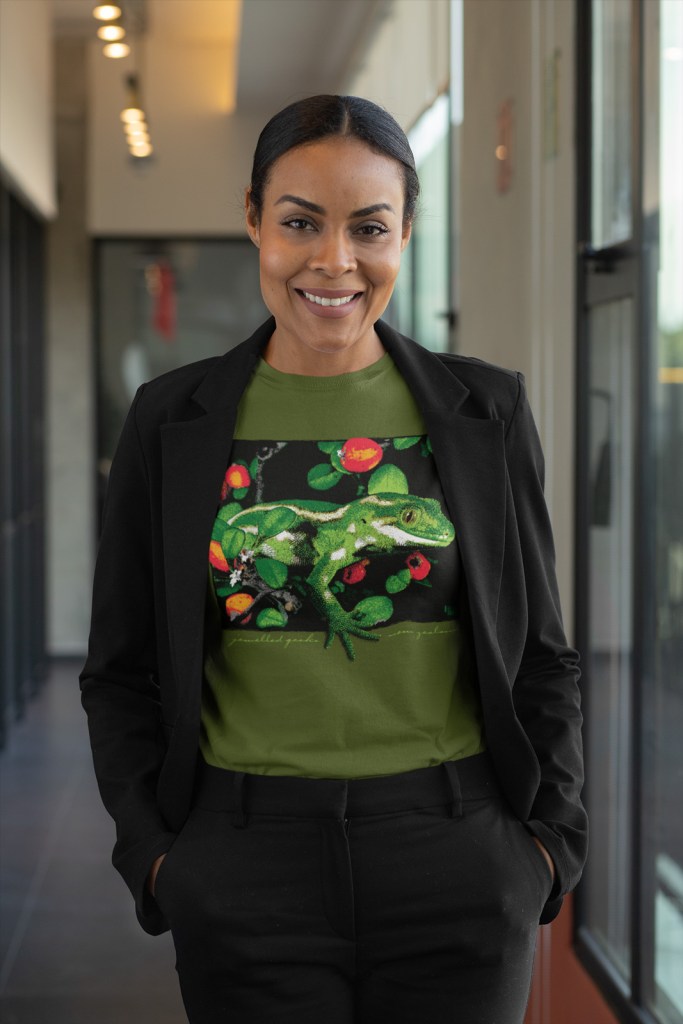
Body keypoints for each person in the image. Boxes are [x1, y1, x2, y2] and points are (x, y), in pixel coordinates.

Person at [80, 94, 587, 1024]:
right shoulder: (171, 419)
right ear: (253, 220)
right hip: (243, 864)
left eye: (369, 228)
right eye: (300, 223)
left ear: (405, 234)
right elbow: (119, 669)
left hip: (458, 857)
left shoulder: (486, 411)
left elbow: (541, 653)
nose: (334, 260)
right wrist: (154, 856)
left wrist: (548, 845)